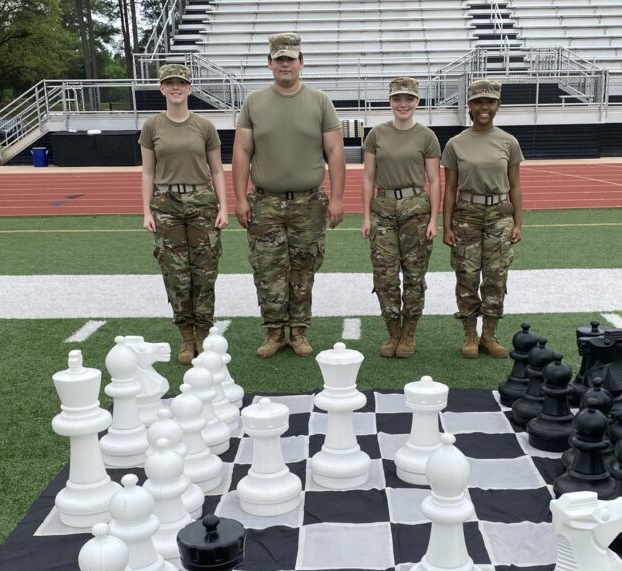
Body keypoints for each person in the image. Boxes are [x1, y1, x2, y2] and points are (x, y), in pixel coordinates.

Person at [233, 32, 346, 358]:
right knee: (267, 270)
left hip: (308, 203)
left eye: (291, 59)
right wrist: (239, 198)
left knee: (303, 270)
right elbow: (241, 151)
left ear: (301, 62)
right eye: (279, 59)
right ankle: (274, 332)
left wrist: (337, 198)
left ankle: (298, 331)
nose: (285, 64)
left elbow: (335, 151)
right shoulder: (254, 102)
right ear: (269, 63)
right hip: (265, 202)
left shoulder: (320, 101)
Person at [139, 63, 228, 364]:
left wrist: (224, 206)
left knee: (204, 272)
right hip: (166, 204)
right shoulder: (152, 126)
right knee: (176, 274)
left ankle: (203, 333)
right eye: (169, 83)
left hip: (201, 201)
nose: (175, 87)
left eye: (181, 82)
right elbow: (148, 172)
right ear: (161, 88)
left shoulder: (204, 126)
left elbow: (217, 170)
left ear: (190, 88)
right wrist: (146, 210)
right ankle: (186, 337)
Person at [441, 79, 523, 359]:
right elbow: (450, 188)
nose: (484, 107)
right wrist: (446, 225)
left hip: (500, 214)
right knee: (466, 276)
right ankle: (469, 335)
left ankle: (489, 335)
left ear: (498, 105)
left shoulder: (508, 142)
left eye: (490, 102)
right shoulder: (456, 143)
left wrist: (518, 223)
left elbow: (516, 186)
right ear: (470, 106)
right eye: (478, 102)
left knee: (496, 277)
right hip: (467, 215)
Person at [360, 77, 441, 358]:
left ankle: (409, 334)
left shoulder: (426, 136)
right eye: (397, 98)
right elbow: (368, 177)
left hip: (416, 209)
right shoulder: (376, 134)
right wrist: (366, 216)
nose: (403, 104)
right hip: (383, 209)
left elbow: (434, 179)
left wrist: (434, 220)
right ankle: (393, 332)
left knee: (414, 276)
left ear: (417, 101)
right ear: (390, 101)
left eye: (409, 98)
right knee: (384, 275)